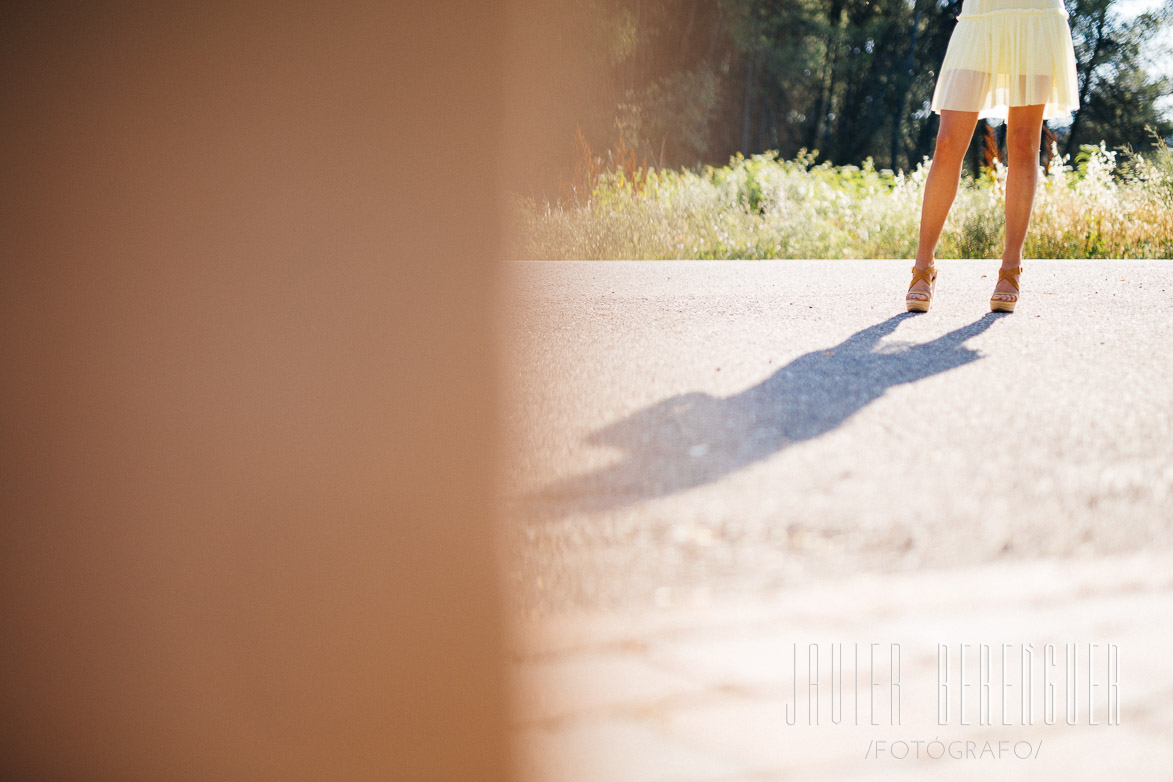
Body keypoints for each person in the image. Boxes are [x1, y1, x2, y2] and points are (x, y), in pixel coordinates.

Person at [905, 0, 1079, 313]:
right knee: (946, 142)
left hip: (1036, 17)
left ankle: (1010, 269)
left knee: (1024, 142)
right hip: (981, 17)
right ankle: (923, 266)